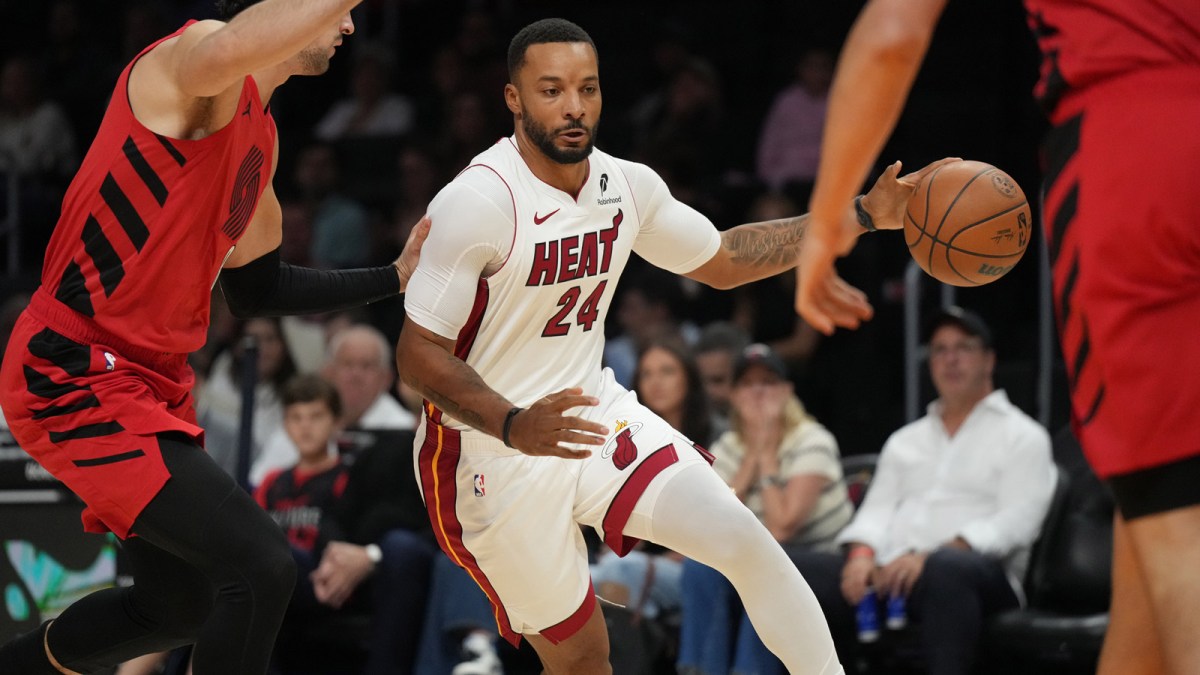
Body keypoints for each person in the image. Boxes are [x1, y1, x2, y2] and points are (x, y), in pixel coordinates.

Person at [397, 17, 949, 675]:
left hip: (591, 411)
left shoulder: (626, 186)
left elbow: (725, 258)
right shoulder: (477, 202)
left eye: (587, 88)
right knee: (583, 659)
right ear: (513, 98)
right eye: (551, 90)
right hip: (487, 452)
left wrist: (858, 216)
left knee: (744, 540)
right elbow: (416, 354)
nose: (574, 107)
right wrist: (515, 424)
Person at [0, 1, 430, 672]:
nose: (347, 25)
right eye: (339, 9)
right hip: (73, 365)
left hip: (151, 378)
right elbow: (229, 48)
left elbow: (257, 288)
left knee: (179, 605)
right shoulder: (190, 60)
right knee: (261, 566)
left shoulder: (262, 137)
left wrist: (395, 277)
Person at [792, 2, 1200, 674]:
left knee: (1174, 527)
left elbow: (893, 30)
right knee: (1156, 520)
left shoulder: (1016, 436)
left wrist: (835, 214)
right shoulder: (910, 439)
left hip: (1134, 143)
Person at [792, 307, 1055, 674]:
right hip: (891, 574)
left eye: (963, 348)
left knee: (946, 570)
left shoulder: (1023, 436)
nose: (950, 359)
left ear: (989, 360)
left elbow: (1017, 523)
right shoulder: (905, 440)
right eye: (940, 350)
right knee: (793, 567)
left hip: (976, 578)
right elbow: (875, 512)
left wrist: (931, 555)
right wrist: (861, 557)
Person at [677, 343, 853, 675]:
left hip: (819, 561)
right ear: (733, 395)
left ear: (787, 391)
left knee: (763, 568)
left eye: (768, 382)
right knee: (700, 567)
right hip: (758, 559)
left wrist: (768, 455)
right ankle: (698, 669)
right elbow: (709, 525)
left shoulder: (812, 439)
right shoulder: (727, 447)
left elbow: (783, 527)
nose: (758, 392)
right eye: (747, 384)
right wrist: (751, 459)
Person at [252, 322, 416, 484]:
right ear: (328, 372)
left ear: (387, 378)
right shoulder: (301, 421)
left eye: (366, 366)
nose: (356, 375)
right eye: (347, 364)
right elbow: (257, 481)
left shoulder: (404, 430)